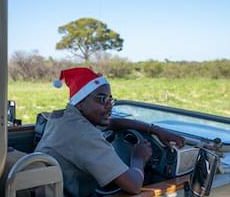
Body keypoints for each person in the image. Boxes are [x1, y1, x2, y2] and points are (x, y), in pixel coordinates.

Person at [35, 67, 184, 197]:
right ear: (80, 103)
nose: (109, 106)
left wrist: (155, 130)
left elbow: (112, 123)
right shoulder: (85, 135)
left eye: (110, 100)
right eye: (101, 99)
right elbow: (134, 186)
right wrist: (138, 158)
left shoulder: (63, 117)